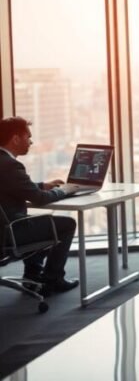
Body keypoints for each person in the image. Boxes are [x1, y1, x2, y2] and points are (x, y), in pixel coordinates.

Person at [0, 117, 80, 295]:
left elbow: (12, 186)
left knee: (38, 224)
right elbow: (40, 199)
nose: (31, 141)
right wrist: (65, 190)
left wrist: (43, 184)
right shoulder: (11, 165)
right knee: (66, 225)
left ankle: (33, 276)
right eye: (28, 137)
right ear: (15, 139)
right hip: (9, 233)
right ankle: (53, 279)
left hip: (5, 228)